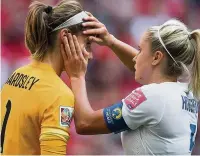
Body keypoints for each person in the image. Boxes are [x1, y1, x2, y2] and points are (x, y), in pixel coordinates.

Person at [60, 16, 200, 154]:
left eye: (140, 50)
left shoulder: (153, 97)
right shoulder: (187, 92)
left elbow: (85, 123)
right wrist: (111, 41)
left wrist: (76, 75)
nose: (136, 57)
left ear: (157, 57)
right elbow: (147, 68)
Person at [0, 0, 92, 154]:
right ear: (65, 37)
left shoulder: (17, 74)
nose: (90, 55)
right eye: (87, 44)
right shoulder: (58, 93)